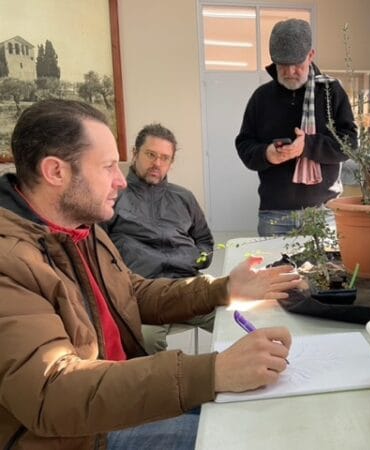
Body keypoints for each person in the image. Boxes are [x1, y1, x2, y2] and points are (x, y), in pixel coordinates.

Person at [0, 99, 300, 449]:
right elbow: (52, 392)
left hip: (120, 396)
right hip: (80, 436)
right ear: (56, 172)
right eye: (108, 167)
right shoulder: (10, 262)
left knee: (256, 412)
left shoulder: (82, 228)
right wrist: (212, 371)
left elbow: (133, 293)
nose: (120, 181)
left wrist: (224, 289)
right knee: (239, 438)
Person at [235, 18, 357, 236]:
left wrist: (307, 146)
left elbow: (350, 143)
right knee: (273, 261)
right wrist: (266, 154)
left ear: (311, 55)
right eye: (283, 65)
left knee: (327, 261)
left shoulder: (331, 92)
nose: (290, 71)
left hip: (324, 212)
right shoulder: (261, 97)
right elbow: (244, 145)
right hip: (274, 215)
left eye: (297, 65)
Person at [104, 123, 215, 354]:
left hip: (186, 286)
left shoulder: (183, 197)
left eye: (165, 158)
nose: (157, 163)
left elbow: (204, 241)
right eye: (151, 154)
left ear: (171, 163)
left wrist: (197, 259)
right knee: (144, 340)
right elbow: (97, 249)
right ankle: (169, 378)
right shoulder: (113, 197)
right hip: (142, 293)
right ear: (135, 153)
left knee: (236, 319)